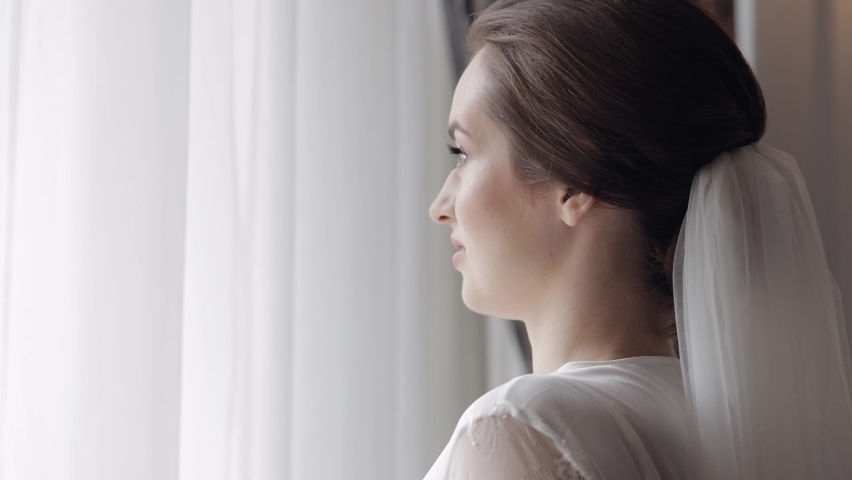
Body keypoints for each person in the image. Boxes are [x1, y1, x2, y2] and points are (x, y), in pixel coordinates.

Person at [425, 0, 852, 479]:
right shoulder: (728, 427)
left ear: (576, 178)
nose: (440, 207)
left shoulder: (519, 430)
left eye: (461, 153)